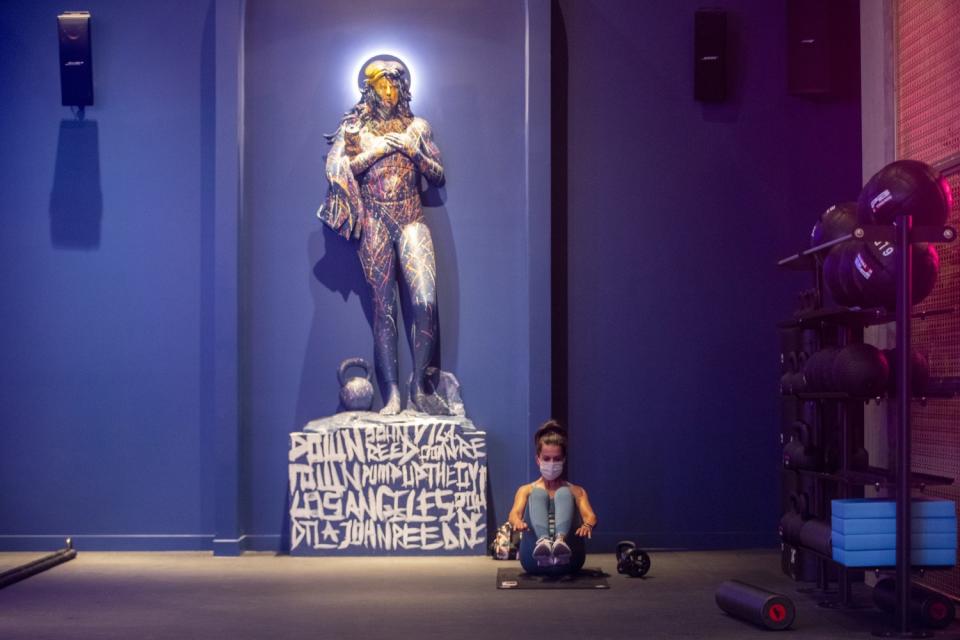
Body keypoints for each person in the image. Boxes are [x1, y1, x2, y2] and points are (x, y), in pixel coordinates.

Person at [318, 56, 447, 415]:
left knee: (425, 301)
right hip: (374, 219)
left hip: (410, 217)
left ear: (404, 88)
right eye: (382, 85)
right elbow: (337, 168)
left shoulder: (417, 127)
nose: (389, 92)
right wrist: (375, 151)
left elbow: (437, 175)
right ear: (369, 89)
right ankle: (391, 394)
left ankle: (419, 388)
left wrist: (411, 150)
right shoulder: (356, 131)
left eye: (394, 85)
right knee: (384, 308)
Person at [508, 420, 598, 575]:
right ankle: (543, 543)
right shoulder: (526, 490)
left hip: (569, 562)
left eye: (556, 459)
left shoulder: (576, 491)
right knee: (537, 494)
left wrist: (587, 526)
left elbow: (590, 516)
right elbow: (514, 513)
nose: (552, 463)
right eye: (547, 459)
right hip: (534, 561)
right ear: (538, 460)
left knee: (563, 493)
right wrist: (517, 522)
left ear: (563, 459)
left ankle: (560, 543)